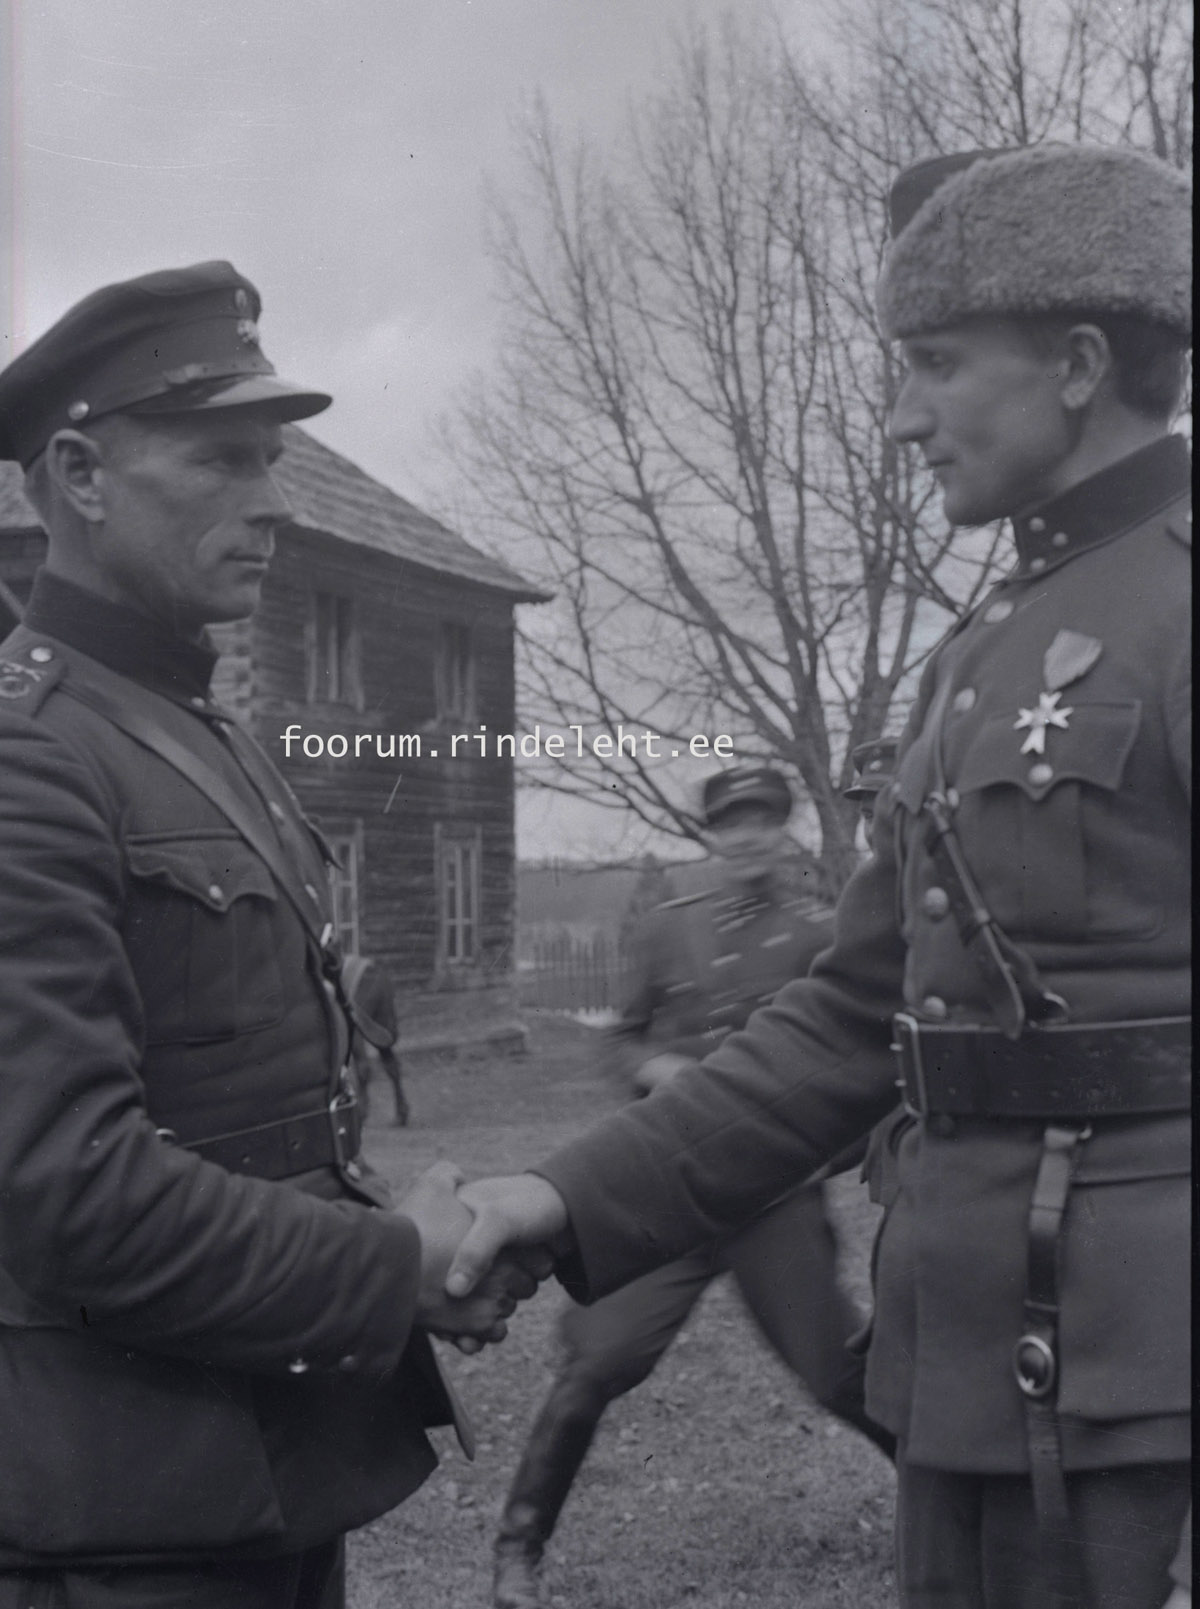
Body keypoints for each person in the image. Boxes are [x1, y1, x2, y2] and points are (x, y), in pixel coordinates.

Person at [448, 143, 1192, 1608]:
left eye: (936, 363)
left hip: (1156, 1386)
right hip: (970, 1356)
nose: (902, 414)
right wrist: (562, 1193)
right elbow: (854, 1014)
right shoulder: (980, 655)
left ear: (1078, 365)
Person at [0, 262, 542, 1609]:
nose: (273, 503)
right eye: (222, 459)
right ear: (79, 474)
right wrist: (393, 1266)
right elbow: (66, 1187)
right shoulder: (30, 760)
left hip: (269, 1458)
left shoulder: (205, 738)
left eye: (274, 459)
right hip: (117, 1499)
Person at [492, 766, 893, 1609]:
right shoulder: (669, 930)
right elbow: (620, 1040)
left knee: (835, 1370)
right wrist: (659, 1068)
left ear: (782, 834)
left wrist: (817, 1159)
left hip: (771, 1199)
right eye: (731, 824)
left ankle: (951, 1504)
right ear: (713, 837)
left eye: (762, 823)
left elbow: (857, 1074)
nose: (746, 838)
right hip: (668, 1193)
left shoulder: (820, 935)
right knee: (595, 1361)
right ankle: (517, 1551)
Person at [344, 954, 412, 1126]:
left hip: (359, 982)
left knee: (355, 1028)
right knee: (383, 1044)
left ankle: (361, 1109)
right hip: (377, 976)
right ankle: (401, 1105)